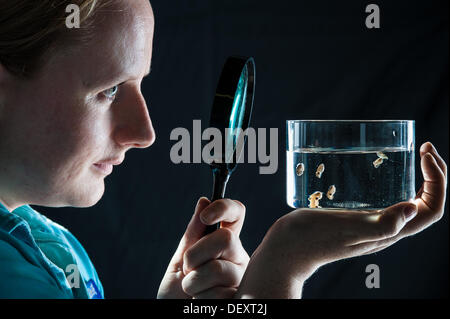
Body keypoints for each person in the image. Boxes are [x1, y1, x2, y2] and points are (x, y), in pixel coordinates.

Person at [0, 0, 446, 299]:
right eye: (110, 89)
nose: (145, 133)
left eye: (139, 84)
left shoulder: (52, 248)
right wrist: (280, 273)